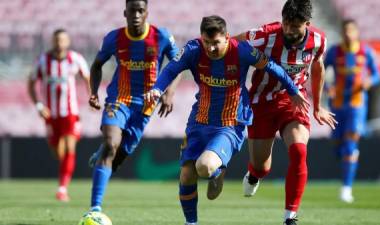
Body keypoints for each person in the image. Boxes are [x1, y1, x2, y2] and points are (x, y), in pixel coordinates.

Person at [144, 15, 308, 225]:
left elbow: (273, 68)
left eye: (216, 43)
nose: (211, 48)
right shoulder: (193, 50)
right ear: (201, 38)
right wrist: (157, 89)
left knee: (203, 166)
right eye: (207, 42)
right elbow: (171, 69)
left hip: (229, 123)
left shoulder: (241, 50)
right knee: (186, 175)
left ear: (227, 38)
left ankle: (217, 172)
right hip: (199, 120)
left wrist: (293, 91)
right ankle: (191, 222)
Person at [235, 0, 337, 224]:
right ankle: (254, 174)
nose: (289, 29)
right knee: (262, 167)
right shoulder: (264, 35)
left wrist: (318, 106)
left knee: (299, 151)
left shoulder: (319, 40)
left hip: (294, 101)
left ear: (307, 23)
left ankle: (290, 216)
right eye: (286, 23)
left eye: (295, 25)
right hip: (261, 102)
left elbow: (318, 66)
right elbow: (232, 44)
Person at [87, 0, 181, 213]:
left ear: (147, 13)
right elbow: (97, 65)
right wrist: (93, 93)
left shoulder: (161, 36)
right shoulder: (114, 38)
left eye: (140, 11)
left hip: (146, 104)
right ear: (125, 13)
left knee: (119, 157)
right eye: (132, 10)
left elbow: (177, 64)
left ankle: (104, 152)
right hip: (118, 99)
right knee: (111, 145)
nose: (136, 15)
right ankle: (95, 209)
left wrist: (169, 92)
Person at [27, 28, 90, 202]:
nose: (59, 43)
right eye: (56, 40)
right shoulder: (42, 61)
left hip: (70, 113)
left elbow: (88, 78)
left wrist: (92, 97)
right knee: (58, 151)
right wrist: (39, 105)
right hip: (50, 114)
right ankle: (65, 172)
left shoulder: (75, 59)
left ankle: (62, 188)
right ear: (52, 42)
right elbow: (31, 84)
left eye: (62, 40)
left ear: (67, 42)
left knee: (70, 146)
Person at [324, 19, 380, 203]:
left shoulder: (366, 51)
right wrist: (326, 87)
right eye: (345, 30)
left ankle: (346, 189)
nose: (348, 34)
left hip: (357, 104)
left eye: (351, 30)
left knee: (350, 145)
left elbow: (376, 73)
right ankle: (345, 154)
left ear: (356, 32)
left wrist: (370, 81)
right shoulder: (334, 51)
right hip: (337, 104)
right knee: (338, 145)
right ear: (341, 32)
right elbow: (320, 70)